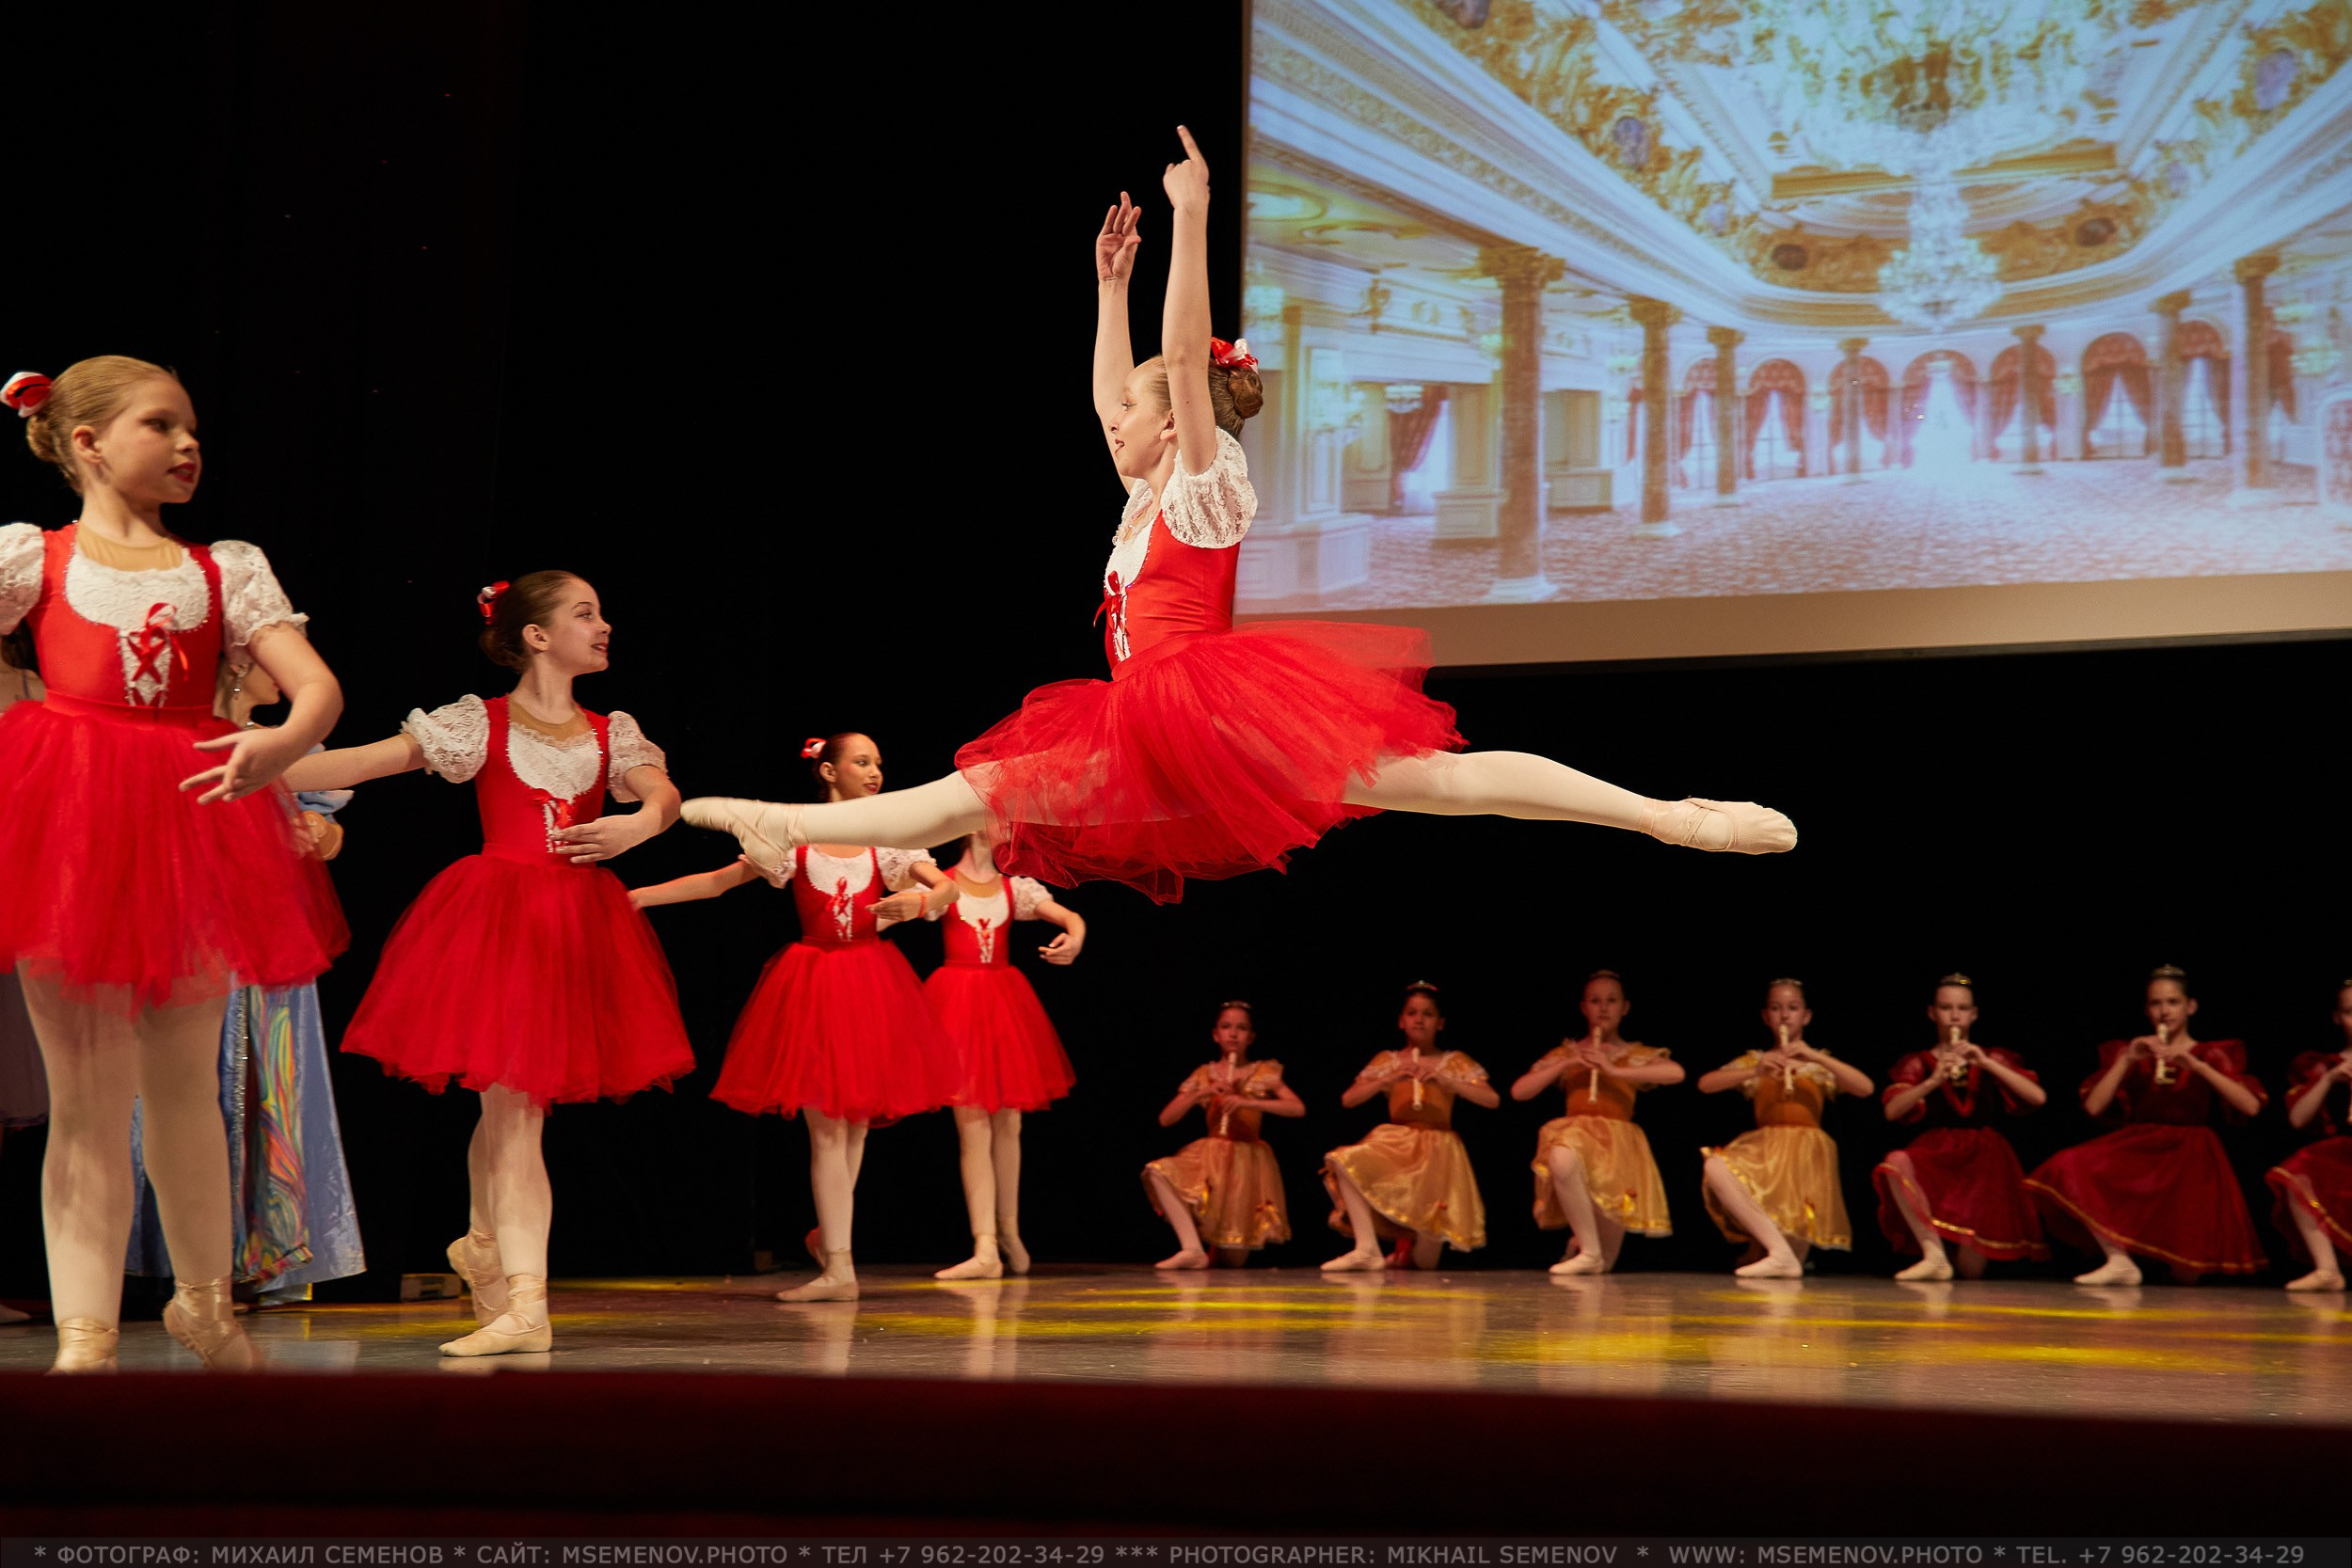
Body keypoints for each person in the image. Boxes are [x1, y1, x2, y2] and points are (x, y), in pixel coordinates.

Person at [676, 130, 1793, 906]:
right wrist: (1107, 288)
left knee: (1448, 788)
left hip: (1213, 710)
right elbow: (1122, 389)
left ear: (1179, 420)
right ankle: (782, 821)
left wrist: (1191, 221)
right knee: (954, 803)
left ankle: (1670, 814)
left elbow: (1172, 361)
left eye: (1138, 412)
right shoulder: (1147, 489)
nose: (1116, 421)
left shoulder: (1207, 485)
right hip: (1140, 722)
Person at [0, 357, 346, 1370]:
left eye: (194, 427)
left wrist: (279, 745)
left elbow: (315, 686)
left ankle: (207, 1304)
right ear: (87, 442)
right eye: (162, 425)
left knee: (186, 1084)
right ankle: (86, 1335)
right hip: (68, 824)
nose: (190, 444)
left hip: (196, 822)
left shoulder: (224, 569)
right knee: (88, 1098)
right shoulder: (35, 558)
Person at [285, 571, 692, 1354]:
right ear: (536, 636)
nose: (604, 625)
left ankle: (482, 1245)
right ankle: (527, 1308)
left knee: (514, 1105)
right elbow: (370, 761)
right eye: (585, 613)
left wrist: (640, 824)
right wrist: (258, 766)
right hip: (497, 923)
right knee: (514, 1109)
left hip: (577, 930)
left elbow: (662, 793)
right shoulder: (481, 724)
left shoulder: (614, 730)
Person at [632, 732, 960, 1303]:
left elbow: (947, 886)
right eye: (861, 762)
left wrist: (923, 901)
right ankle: (840, 1268)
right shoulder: (794, 840)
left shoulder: (889, 841)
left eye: (879, 762)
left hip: (872, 985)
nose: (875, 772)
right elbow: (716, 883)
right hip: (813, 984)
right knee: (829, 1131)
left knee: (853, 1129)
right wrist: (635, 898)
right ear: (829, 772)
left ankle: (832, 1243)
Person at [126, 660, 366, 1303]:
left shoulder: (287, 745)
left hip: (267, 939)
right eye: (273, 662)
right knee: (178, 1091)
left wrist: (320, 834)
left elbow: (330, 831)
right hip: (190, 931)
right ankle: (178, 1264)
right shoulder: (177, 742)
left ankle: (258, 1254)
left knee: (267, 1086)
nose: (286, 677)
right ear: (235, 664)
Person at [2023, 965, 2266, 1286]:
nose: (2164, 1011)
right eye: (2156, 1003)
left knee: (2186, 1273)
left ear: (2190, 1006)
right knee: (2068, 1165)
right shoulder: (2135, 1053)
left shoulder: (2209, 1053)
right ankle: (2120, 1259)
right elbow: (2093, 1107)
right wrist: (2126, 1060)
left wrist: (2197, 1066)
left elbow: (2250, 1105)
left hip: (2190, 1154)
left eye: (2173, 1002)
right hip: (2142, 1144)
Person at [925, 832, 1086, 1281]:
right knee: (973, 1127)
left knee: (1009, 1123)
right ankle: (984, 1246)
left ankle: (1009, 1230)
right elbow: (905, 907)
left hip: (1003, 1007)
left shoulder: (1015, 888)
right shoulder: (942, 884)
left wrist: (1074, 937)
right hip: (956, 1006)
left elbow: (1070, 916)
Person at [1873, 974, 2047, 1281]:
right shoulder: (1920, 1061)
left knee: (1970, 1270)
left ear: (1974, 1014)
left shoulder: (1990, 1056)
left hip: (1984, 1162)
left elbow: (2037, 1097)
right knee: (1896, 1163)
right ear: (1932, 1013)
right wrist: (1933, 1081)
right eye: (1946, 1008)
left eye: (1962, 1008)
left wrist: (1986, 1062)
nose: (1954, 1016)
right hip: (1939, 1153)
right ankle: (1934, 1253)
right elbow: (1892, 1110)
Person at [1697, 978, 1874, 1279]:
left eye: (1792, 1008)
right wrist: (1756, 1069)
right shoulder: (1757, 1060)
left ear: (1806, 1016)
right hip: (1765, 1153)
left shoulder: (1818, 1064)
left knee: (1788, 1264)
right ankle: (1776, 1253)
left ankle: (1779, 1257)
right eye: (1777, 1008)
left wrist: (1815, 1057)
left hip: (1806, 1157)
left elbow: (1866, 1088)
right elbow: (1705, 1084)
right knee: (1715, 1166)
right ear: (1767, 1016)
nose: (1785, 1015)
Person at [1509, 970, 1679, 1275]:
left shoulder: (1632, 1054)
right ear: (1583, 1007)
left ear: (1625, 1007)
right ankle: (1586, 1247)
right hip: (1577, 1136)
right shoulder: (1570, 1052)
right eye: (1595, 1001)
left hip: (1617, 1152)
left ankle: (1586, 1250)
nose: (1603, 1008)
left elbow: (1675, 1073)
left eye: (1611, 1001)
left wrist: (1614, 1071)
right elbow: (1520, 1091)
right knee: (1561, 1155)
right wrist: (1566, 1063)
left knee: (1604, 1265)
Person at [1323, 983, 1495, 1272]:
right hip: (1398, 1143)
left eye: (1427, 1014)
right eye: (1412, 1013)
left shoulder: (1452, 1061)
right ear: (1401, 1021)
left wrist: (1448, 1081)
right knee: (1343, 1161)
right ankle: (1367, 1248)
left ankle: (1403, 1257)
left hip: (1439, 1151)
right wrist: (1385, 1081)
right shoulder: (1389, 1060)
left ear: (1439, 1023)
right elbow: (1349, 1099)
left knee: (1427, 1262)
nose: (1419, 1019)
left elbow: (1492, 1099)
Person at [1144, 1000, 1302, 1268]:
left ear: (1251, 1037)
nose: (1233, 1033)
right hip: (1211, 1158)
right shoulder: (1206, 1074)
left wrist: (1249, 1102)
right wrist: (1202, 1093)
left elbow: (1297, 1108)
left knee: (1232, 1262)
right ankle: (1192, 1248)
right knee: (1158, 1172)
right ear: (1215, 1034)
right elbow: (1166, 1118)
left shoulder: (1263, 1071)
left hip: (1247, 1165)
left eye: (1241, 1028)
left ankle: (1212, 1268)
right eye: (1226, 1027)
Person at [2267, 979, 2352, 1291]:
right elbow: (2297, 1118)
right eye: (2350, 1012)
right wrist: (2329, 1079)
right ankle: (2328, 1269)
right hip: (2342, 1154)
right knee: (2298, 1171)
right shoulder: (2322, 1065)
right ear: (2337, 1017)